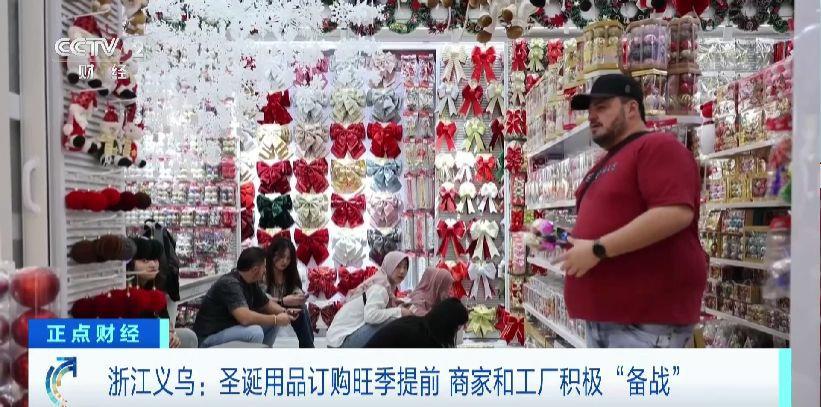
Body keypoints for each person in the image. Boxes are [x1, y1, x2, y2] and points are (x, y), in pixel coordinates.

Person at [561, 73, 707, 348]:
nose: (592, 116)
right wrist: (555, 238)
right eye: (589, 110)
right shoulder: (608, 161)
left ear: (631, 108)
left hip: (645, 323)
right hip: (609, 322)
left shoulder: (658, 147)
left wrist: (597, 249)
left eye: (602, 107)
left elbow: (675, 212)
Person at [193, 247, 299, 347]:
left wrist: (285, 312)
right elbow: (245, 318)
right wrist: (276, 319)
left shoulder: (250, 282)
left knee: (273, 322)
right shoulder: (230, 284)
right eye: (264, 267)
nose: (265, 271)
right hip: (208, 339)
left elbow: (266, 304)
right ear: (255, 270)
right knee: (255, 332)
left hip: (229, 331)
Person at [326, 251, 412, 348]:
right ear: (389, 266)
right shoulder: (380, 288)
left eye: (405, 267)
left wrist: (398, 308)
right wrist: (399, 311)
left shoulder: (383, 284)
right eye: (398, 266)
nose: (402, 271)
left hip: (338, 339)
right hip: (341, 342)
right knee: (392, 321)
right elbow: (370, 316)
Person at [127, 236, 196, 348]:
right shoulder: (125, 294)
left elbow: (165, 323)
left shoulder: (155, 292)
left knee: (189, 337)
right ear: (129, 264)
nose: (153, 265)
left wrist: (171, 334)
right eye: (144, 261)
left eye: (155, 260)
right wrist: (159, 334)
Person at [265, 237, 314, 348]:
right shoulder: (263, 270)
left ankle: (307, 346)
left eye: (288, 258)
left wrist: (298, 296)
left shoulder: (289, 272)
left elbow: (295, 288)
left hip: (283, 306)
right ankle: (308, 346)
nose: (285, 262)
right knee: (300, 309)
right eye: (282, 257)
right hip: (266, 307)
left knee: (301, 308)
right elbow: (261, 298)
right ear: (273, 254)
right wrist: (283, 301)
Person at [364, 298, 468, 348]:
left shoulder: (420, 325)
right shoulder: (421, 338)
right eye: (457, 327)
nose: (458, 331)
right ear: (448, 325)